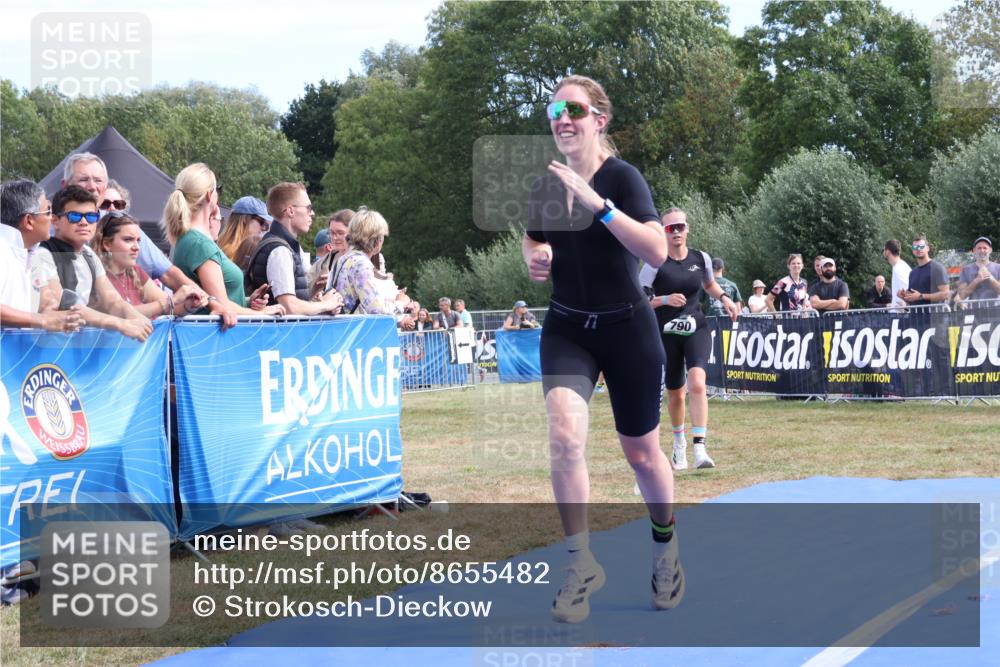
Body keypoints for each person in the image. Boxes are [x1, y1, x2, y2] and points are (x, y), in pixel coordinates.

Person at [523, 74, 682, 623]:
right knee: (564, 437)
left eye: (574, 110)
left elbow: (658, 251)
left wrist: (600, 206)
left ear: (599, 119)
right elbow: (533, 237)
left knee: (642, 453)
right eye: (555, 111)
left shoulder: (622, 177)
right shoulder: (546, 185)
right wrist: (535, 258)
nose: (563, 120)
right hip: (568, 328)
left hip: (628, 329)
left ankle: (665, 550)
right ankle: (580, 564)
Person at [640, 208, 740, 472]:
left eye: (680, 227)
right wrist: (664, 299)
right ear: (662, 232)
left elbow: (709, 285)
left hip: (696, 327)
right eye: (670, 228)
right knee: (675, 393)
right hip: (666, 333)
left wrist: (726, 299)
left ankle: (700, 448)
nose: (676, 232)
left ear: (687, 228)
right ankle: (679, 443)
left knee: (697, 382)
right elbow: (638, 300)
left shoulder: (701, 258)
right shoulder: (654, 262)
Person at [163, 163, 283, 328]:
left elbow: (213, 301)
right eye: (217, 189)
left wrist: (247, 301)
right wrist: (262, 314)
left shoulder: (191, 239)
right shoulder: (199, 243)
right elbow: (221, 306)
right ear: (209, 195)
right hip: (214, 336)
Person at [60, 152, 193, 296]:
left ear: (105, 186)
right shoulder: (50, 228)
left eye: (98, 180)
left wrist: (206, 299)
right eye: (83, 179)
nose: (92, 186)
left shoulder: (118, 224)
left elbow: (168, 274)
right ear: (65, 185)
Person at [31, 186, 152, 341]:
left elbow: (113, 301)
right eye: (75, 216)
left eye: (91, 217)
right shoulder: (42, 254)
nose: (84, 222)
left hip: (78, 346)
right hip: (47, 347)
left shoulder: (89, 255)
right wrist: (121, 324)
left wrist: (139, 320)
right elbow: (67, 307)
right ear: (55, 221)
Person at [244, 182, 342, 316]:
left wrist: (314, 291)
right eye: (308, 208)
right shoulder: (280, 251)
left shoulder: (281, 245)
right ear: (290, 211)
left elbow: (292, 301)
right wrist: (325, 304)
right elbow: (289, 307)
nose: (312, 213)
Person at [0, 179, 82, 332]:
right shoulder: (2, 251)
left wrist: (48, 313)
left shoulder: (29, 253)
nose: (52, 217)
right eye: (48, 211)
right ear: (29, 221)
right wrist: (42, 320)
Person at [93, 211, 207, 317]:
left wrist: (190, 305)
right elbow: (120, 314)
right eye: (128, 240)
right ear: (107, 244)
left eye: (138, 240)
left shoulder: (136, 272)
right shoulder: (96, 274)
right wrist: (172, 300)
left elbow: (171, 309)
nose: (136, 247)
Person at [327, 207, 412, 315]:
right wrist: (401, 303)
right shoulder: (361, 264)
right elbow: (376, 310)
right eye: (382, 236)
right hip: (358, 325)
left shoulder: (343, 259)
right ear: (376, 239)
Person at [306, 209, 353, 297]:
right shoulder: (324, 261)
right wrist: (317, 290)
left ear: (353, 233)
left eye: (340, 233)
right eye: (331, 233)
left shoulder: (365, 259)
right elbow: (304, 289)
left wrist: (334, 281)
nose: (334, 237)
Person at [217, 196, 272, 269]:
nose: (263, 228)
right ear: (245, 219)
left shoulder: (222, 247)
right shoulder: (230, 252)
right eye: (261, 222)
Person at [899, 234, 949, 307]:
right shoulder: (912, 273)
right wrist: (904, 296)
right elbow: (914, 298)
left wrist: (921, 296)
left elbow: (945, 294)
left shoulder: (937, 268)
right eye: (915, 247)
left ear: (927, 248)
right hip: (916, 313)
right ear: (913, 250)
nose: (918, 249)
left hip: (934, 313)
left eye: (921, 246)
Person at [956, 237, 1000, 303]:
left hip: (995, 308)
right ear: (974, 250)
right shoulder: (966, 269)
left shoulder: (998, 268)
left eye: (985, 248)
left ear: (990, 250)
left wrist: (990, 277)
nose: (982, 250)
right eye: (979, 248)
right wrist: (977, 280)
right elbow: (962, 295)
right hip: (974, 308)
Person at [883, 239, 911, 312]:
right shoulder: (899, 266)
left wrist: (906, 307)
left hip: (901, 315)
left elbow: (907, 289)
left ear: (888, 252)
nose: (883, 252)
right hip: (899, 313)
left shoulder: (899, 268)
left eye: (884, 250)